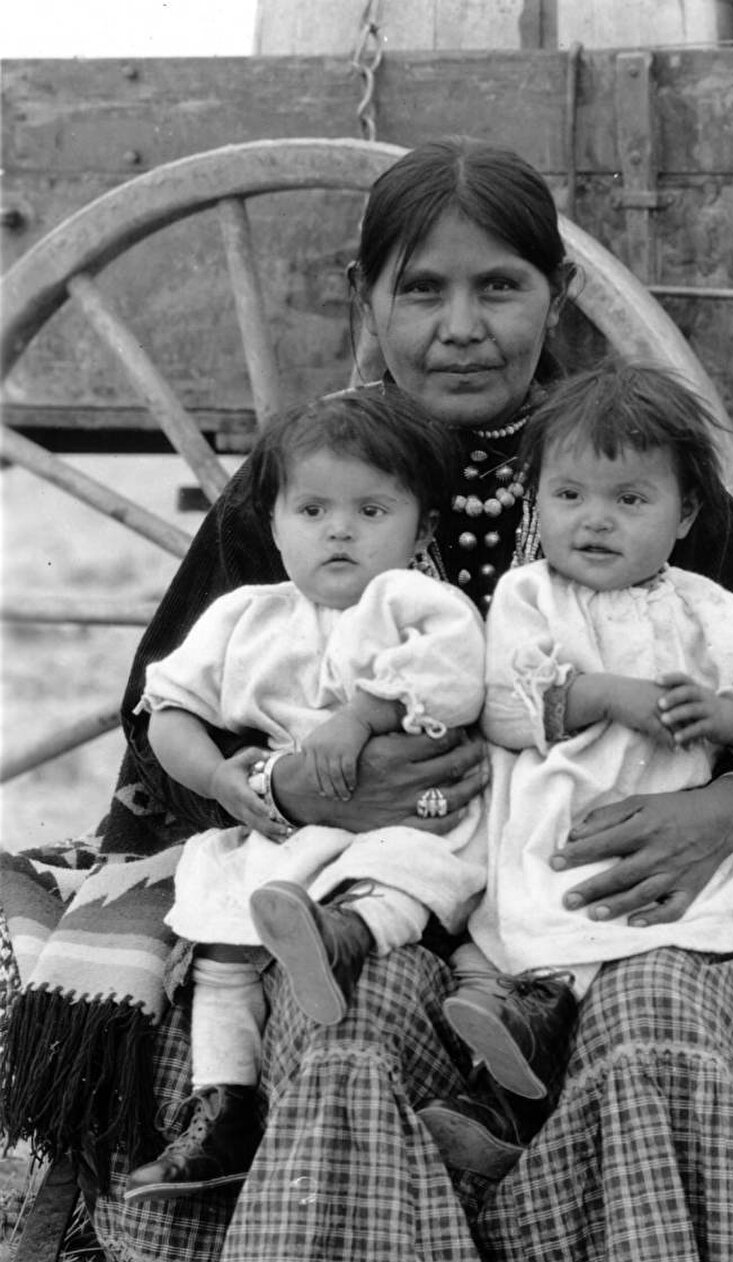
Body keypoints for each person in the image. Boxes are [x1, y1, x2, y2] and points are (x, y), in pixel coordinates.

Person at [1, 137, 733, 1262]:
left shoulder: (633, 472)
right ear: (368, 295)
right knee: (342, 1033)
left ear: (554, 296)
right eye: (422, 290)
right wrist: (283, 787)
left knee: (658, 1029)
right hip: (392, 901)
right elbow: (168, 730)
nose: (463, 328)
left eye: (500, 288)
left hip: (615, 901)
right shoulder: (307, 488)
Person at [420, 362, 733, 1174]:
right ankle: (501, 1088)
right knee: (525, 924)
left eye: (630, 500)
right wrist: (602, 695)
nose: (595, 522)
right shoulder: (529, 597)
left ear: (685, 519)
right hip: (549, 821)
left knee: (631, 946)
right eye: (569, 497)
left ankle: (526, 1072)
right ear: (538, 502)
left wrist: (729, 716)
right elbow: (501, 707)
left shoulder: (704, 607)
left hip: (664, 820)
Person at [122, 390, 487, 1201]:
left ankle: (347, 937)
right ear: (274, 521)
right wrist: (222, 777)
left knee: (412, 870)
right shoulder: (245, 618)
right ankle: (223, 1108)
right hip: (288, 832)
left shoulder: (425, 609)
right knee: (223, 951)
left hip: (406, 827)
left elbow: (455, 687)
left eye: (371, 510)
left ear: (421, 529)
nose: (340, 530)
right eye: (312, 508)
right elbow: (170, 713)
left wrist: (361, 716)